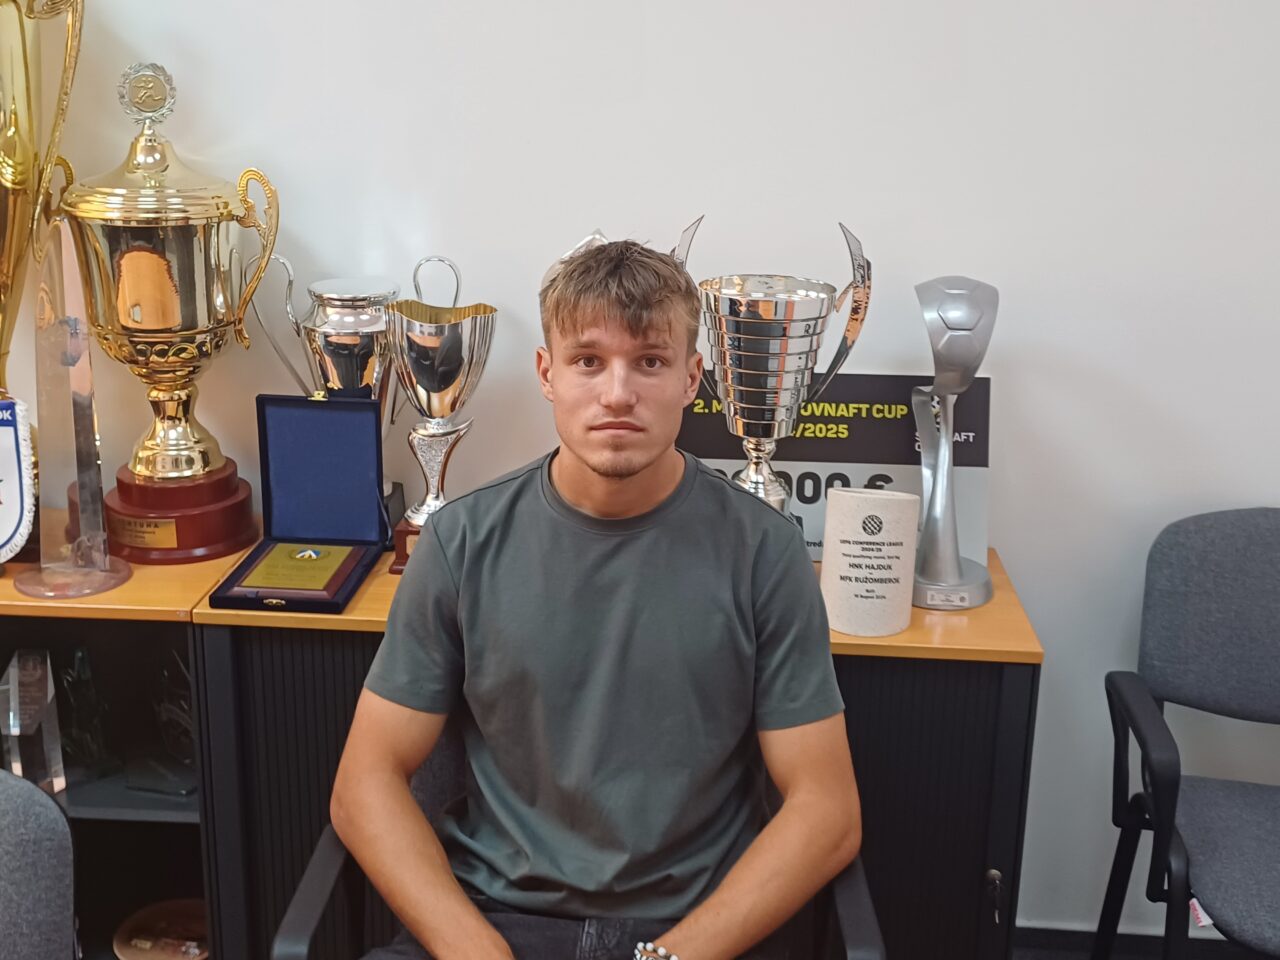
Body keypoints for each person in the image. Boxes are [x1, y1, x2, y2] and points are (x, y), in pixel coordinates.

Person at [330, 239, 862, 960]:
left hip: (691, 935)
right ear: (547, 374)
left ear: (692, 378)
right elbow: (364, 783)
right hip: (496, 922)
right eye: (588, 360)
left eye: (650, 361)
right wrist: (476, 952)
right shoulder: (460, 542)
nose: (617, 393)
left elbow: (827, 812)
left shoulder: (765, 551)